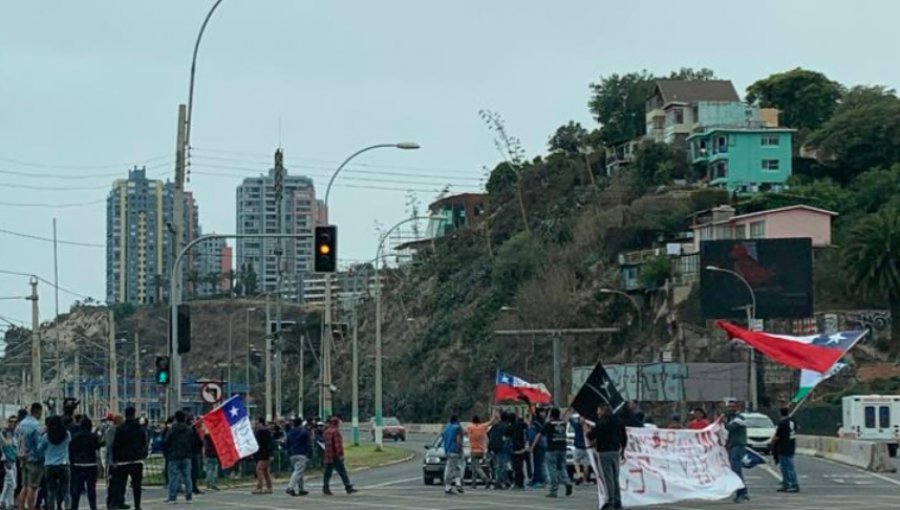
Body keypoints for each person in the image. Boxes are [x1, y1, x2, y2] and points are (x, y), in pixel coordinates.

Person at [587, 402, 627, 510]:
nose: (597, 412)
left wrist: (586, 428)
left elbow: (591, 436)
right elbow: (624, 437)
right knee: (615, 478)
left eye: (599, 410)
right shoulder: (619, 421)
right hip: (615, 451)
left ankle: (610, 502)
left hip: (604, 452)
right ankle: (618, 501)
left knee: (608, 478)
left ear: (603, 411)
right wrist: (622, 450)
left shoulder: (601, 423)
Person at [111, 407, 147, 510]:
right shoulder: (139, 428)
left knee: (121, 483)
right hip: (137, 459)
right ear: (134, 414)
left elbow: (116, 445)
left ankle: (120, 502)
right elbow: (144, 442)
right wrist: (142, 454)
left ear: (125, 414)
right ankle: (137, 505)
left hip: (123, 460)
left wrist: (115, 459)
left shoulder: (121, 429)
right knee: (137, 485)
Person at [532, 408, 573, 498]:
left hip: (552, 448)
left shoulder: (549, 424)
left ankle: (554, 490)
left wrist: (532, 446)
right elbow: (564, 420)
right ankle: (567, 482)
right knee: (562, 467)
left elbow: (539, 434)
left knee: (552, 469)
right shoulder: (563, 423)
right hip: (562, 448)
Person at [38, 415, 71, 510]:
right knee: (66, 492)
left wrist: (41, 434)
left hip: (49, 465)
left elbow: (39, 449)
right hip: (64, 464)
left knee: (51, 492)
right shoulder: (67, 434)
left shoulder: (46, 436)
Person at [15, 403, 43, 510]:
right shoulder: (36, 426)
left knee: (24, 486)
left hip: (23, 458)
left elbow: (17, 439)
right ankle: (31, 507)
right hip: (34, 459)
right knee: (33, 487)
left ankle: (21, 507)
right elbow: (39, 445)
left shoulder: (20, 424)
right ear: (38, 411)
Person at [69, 417, 100, 510]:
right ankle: (93, 507)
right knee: (91, 489)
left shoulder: (74, 436)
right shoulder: (93, 436)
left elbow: (71, 450)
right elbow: (97, 448)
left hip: (77, 464)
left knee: (76, 490)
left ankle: (74, 507)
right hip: (91, 464)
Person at [163, 411, 194, 504]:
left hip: (174, 455)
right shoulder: (189, 429)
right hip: (186, 455)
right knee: (187, 477)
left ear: (176, 419)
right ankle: (189, 497)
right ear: (184, 418)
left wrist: (168, 451)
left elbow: (166, 441)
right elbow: (192, 441)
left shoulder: (172, 429)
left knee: (173, 478)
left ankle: (173, 498)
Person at [322, 416, 356, 496]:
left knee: (327, 472)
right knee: (342, 471)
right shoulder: (335, 432)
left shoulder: (326, 432)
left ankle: (325, 487)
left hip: (328, 454)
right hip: (335, 455)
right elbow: (337, 445)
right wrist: (340, 455)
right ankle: (348, 487)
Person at [723, 400, 749, 503]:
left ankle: (742, 492)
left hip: (738, 446)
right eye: (729, 407)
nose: (730, 409)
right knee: (735, 470)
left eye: (733, 407)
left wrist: (723, 421)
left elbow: (730, 428)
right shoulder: (733, 418)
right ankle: (741, 492)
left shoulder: (738, 419)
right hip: (733, 446)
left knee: (736, 470)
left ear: (737, 408)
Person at [771, 407, 799, 493]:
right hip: (791, 445)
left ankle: (792, 484)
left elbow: (777, 436)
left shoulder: (782, 423)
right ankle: (787, 484)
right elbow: (798, 428)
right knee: (789, 466)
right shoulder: (793, 422)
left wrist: (771, 442)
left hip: (783, 446)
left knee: (786, 467)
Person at [466, 413, 497, 489]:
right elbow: (491, 422)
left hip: (473, 450)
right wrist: (494, 414)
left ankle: (486, 479)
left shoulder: (470, 427)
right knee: (474, 467)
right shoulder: (482, 427)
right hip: (481, 450)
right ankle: (474, 484)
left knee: (476, 467)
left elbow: (465, 433)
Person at [284, 418, 310, 497]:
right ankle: (290, 487)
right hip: (301, 453)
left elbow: (287, 443)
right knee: (298, 471)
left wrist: (288, 452)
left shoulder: (290, 432)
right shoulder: (304, 432)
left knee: (299, 472)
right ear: (301, 423)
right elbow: (308, 443)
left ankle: (301, 489)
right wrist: (309, 454)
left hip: (292, 454)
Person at [441, 415, 464, 495]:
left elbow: (443, 437)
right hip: (454, 450)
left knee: (455, 467)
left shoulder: (446, 428)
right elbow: (458, 440)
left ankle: (458, 483)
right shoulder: (457, 428)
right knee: (451, 469)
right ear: (457, 420)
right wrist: (460, 449)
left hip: (447, 450)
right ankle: (448, 487)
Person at [487, 412, 511, 489]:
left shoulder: (495, 426)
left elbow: (488, 434)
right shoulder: (506, 427)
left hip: (494, 448)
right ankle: (499, 481)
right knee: (502, 465)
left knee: (498, 465)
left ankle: (504, 481)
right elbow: (508, 438)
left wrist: (490, 448)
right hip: (503, 448)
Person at [506, 414, 529, 489]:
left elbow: (506, 438)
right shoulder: (521, 425)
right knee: (520, 466)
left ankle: (518, 483)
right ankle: (521, 482)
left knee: (515, 467)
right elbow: (526, 424)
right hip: (522, 448)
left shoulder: (509, 428)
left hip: (514, 449)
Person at [251, 418, 273, 495]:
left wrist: (270, 454)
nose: (256, 425)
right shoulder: (258, 432)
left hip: (264, 454)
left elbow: (270, 444)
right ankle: (269, 487)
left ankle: (259, 487)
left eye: (257, 424)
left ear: (261, 423)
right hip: (260, 453)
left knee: (259, 469)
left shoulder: (265, 432)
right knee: (265, 471)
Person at [1, 415, 18, 510]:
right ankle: (8, 502)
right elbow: (3, 448)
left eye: (15, 422)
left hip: (13, 460)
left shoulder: (13, 433)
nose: (13, 424)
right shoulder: (4, 433)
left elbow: (13, 447)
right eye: (11, 421)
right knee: (12, 483)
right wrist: (5, 459)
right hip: (7, 460)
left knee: (8, 482)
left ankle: (4, 501)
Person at [568, 413, 590, 485]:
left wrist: (570, 411)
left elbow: (570, 420)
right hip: (586, 447)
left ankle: (579, 475)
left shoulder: (577, 426)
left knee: (576, 462)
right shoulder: (588, 427)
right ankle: (585, 480)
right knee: (586, 465)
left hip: (578, 447)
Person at [526, 410, 546, 489]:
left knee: (538, 464)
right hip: (542, 445)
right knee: (539, 463)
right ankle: (537, 479)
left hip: (538, 446)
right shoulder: (541, 423)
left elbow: (532, 436)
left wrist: (531, 446)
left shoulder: (534, 425)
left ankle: (538, 480)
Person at [201, 426, 220, 492]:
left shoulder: (207, 437)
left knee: (210, 470)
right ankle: (210, 484)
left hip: (209, 453)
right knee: (211, 470)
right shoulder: (213, 436)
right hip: (213, 453)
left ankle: (210, 484)